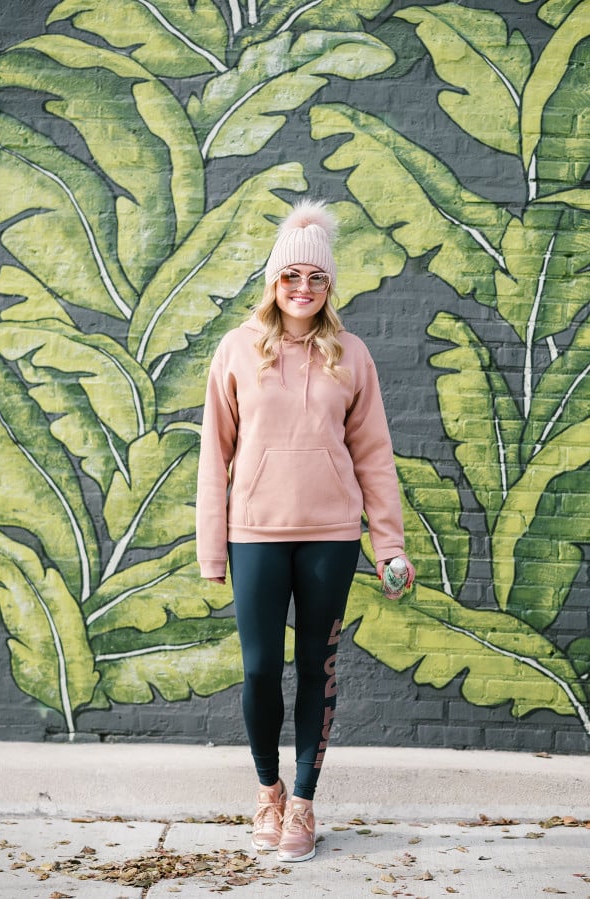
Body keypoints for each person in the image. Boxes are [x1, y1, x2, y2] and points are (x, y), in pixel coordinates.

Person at [196, 199, 415, 863]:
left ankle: (304, 803)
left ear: (329, 287)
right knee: (261, 669)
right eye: (291, 276)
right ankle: (268, 790)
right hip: (255, 533)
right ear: (273, 282)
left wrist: (390, 545)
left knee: (315, 669)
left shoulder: (352, 355)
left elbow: (375, 455)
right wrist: (213, 545)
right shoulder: (236, 349)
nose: (303, 289)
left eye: (316, 279)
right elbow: (216, 450)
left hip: (329, 537)